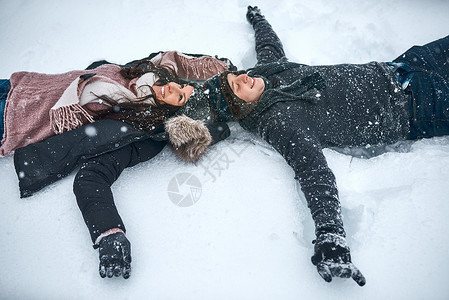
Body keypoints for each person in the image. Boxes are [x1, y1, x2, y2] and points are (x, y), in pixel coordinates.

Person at [199, 6, 449, 286]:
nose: (244, 77)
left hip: (405, 65)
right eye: (238, 87)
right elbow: (313, 173)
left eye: (238, 75)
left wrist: (259, 21)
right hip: (419, 105)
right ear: (242, 107)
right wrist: (331, 234)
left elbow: (269, 46)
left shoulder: (266, 73)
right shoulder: (279, 122)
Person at [9, 51, 234, 279]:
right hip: (21, 85)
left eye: (179, 98)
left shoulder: (137, 126)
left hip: (13, 119)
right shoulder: (142, 75)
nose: (172, 89)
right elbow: (171, 58)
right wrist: (221, 66)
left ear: (174, 112)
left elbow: (93, 176)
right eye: (179, 86)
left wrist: (109, 232)